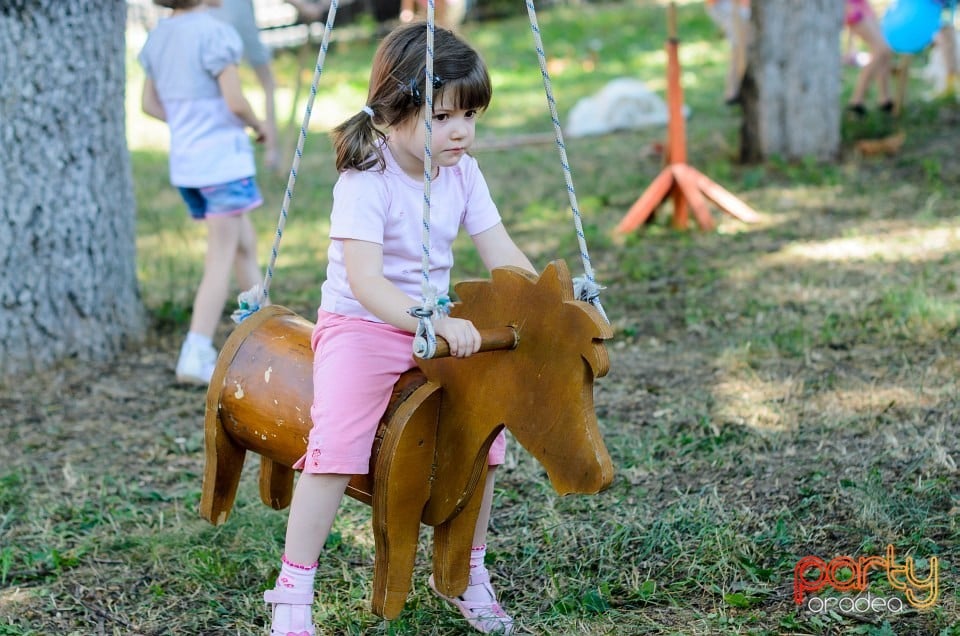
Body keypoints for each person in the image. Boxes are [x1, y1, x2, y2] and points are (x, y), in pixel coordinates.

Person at [262, 21, 535, 636]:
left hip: (435, 328)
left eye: (471, 115)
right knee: (335, 447)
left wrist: (545, 301)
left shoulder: (463, 172)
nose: (461, 131)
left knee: (486, 442)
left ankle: (468, 572)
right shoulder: (367, 179)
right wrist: (432, 322)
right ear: (393, 112)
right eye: (443, 117)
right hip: (363, 325)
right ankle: (292, 588)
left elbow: (501, 252)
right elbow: (367, 282)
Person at [138, 0, 272, 385]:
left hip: (188, 167)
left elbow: (149, 104)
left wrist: (186, 120)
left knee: (243, 245)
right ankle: (195, 351)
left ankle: (263, 330)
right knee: (221, 257)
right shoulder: (214, 33)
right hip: (221, 164)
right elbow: (235, 101)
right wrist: (257, 124)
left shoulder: (158, 37)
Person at [208, 0, 281, 170]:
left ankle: (221, 151)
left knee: (218, 89)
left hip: (211, 17)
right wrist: (305, 7)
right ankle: (271, 151)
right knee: (268, 83)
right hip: (237, 14)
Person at [845, 0, 893, 116]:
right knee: (880, 50)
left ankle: (884, 100)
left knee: (885, 51)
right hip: (852, 7)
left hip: (863, 6)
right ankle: (856, 101)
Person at [705, 0, 751, 105]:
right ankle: (733, 90)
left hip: (737, 7)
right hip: (729, 6)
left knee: (738, 45)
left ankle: (734, 89)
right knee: (739, 44)